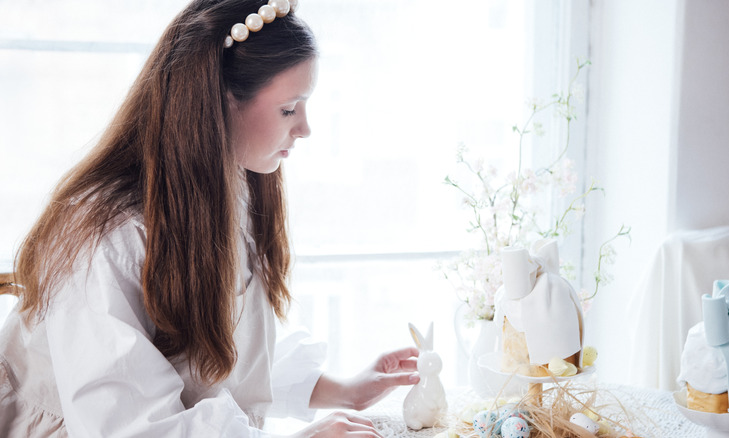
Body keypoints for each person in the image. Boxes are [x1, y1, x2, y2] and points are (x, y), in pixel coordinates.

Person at [0, 0, 420, 436]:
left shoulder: (221, 190)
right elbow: (130, 424)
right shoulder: (108, 235)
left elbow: (218, 346)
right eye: (289, 109)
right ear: (219, 102)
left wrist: (344, 390)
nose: (305, 128)